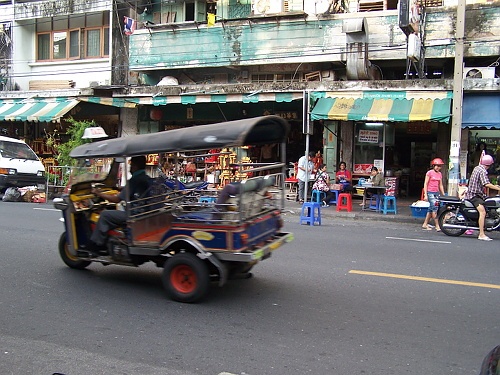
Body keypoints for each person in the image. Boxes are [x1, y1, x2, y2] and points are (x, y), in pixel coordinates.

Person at [89, 156, 151, 251]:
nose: (130, 167)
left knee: (105, 215)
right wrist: (120, 189)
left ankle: (96, 245)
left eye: (131, 165)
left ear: (135, 166)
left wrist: (99, 193)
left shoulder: (134, 180)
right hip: (143, 212)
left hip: (133, 214)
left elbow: (117, 199)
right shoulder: (146, 178)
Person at [464, 154, 500, 241]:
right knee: (482, 212)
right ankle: (481, 234)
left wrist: (495, 186)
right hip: (474, 195)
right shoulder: (482, 171)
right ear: (489, 164)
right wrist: (497, 188)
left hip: (477, 194)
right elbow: (486, 184)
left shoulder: (477, 168)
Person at [422, 158, 446, 231]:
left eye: (439, 166)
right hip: (430, 192)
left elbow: (440, 185)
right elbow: (425, 184)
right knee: (434, 209)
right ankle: (437, 225)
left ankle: (425, 224)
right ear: (433, 166)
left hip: (437, 193)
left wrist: (444, 195)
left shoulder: (440, 174)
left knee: (431, 209)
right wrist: (425, 195)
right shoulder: (429, 173)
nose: (438, 167)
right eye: (437, 166)